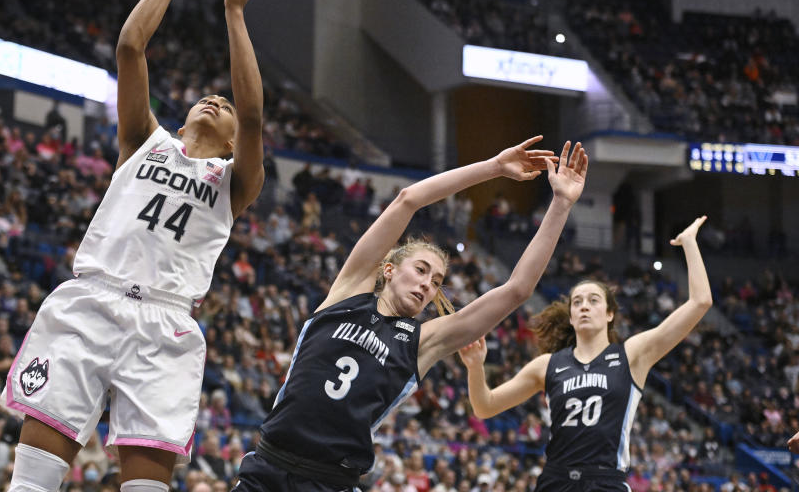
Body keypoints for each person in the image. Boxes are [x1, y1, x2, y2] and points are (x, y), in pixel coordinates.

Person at [2, 0, 274, 492]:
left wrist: (235, 12)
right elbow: (130, 45)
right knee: (31, 482)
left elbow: (252, 115)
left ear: (230, 143)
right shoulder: (143, 141)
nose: (215, 99)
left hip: (166, 325)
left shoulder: (234, 180)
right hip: (91, 302)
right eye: (207, 97)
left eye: (221, 103)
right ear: (178, 121)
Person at [234, 138, 588, 491]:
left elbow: (518, 289)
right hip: (269, 466)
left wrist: (560, 203)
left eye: (436, 282)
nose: (426, 285)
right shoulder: (348, 291)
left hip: (331, 482)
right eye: (420, 270)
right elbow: (409, 199)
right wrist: (493, 167)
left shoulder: (423, 341)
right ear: (388, 269)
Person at [459, 216, 712, 491]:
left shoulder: (632, 355)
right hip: (556, 480)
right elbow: (485, 407)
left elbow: (700, 302)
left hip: (605, 481)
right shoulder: (547, 365)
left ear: (610, 314)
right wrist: (475, 368)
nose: (584, 307)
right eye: (577, 302)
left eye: (593, 301)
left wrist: (689, 243)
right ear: (570, 317)